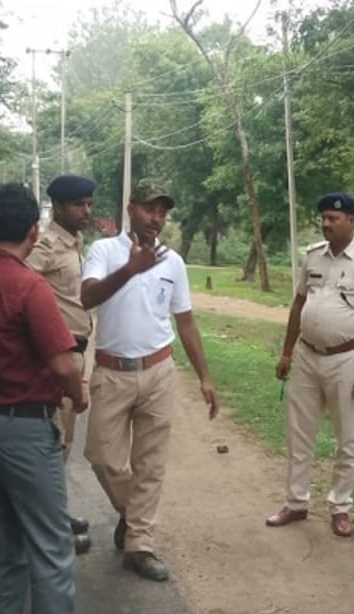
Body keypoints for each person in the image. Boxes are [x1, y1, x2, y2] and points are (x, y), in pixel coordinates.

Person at [0, 183, 85, 614]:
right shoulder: (28, 286)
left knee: (4, 546)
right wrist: (79, 395)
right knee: (52, 550)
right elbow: (63, 364)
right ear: (33, 231)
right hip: (24, 428)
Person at [80, 180, 219, 582]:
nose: (156, 218)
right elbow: (87, 297)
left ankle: (139, 544)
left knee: (150, 463)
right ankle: (132, 512)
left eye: (162, 211)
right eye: (148, 208)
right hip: (112, 372)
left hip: (158, 371)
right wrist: (130, 269)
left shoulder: (173, 263)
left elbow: (185, 321)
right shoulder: (104, 251)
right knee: (102, 457)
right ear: (130, 208)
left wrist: (205, 378)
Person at [267, 192, 354, 537]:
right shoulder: (313, 256)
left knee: (347, 437)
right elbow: (298, 303)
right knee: (299, 433)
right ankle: (296, 502)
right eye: (323, 218)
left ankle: (341, 507)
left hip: (346, 359)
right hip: (307, 356)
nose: (326, 224)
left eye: (333, 218)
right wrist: (287, 353)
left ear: (351, 220)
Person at [28, 174, 98, 553]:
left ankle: (54, 512)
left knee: (64, 439)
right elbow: (21, 284)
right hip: (57, 354)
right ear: (57, 206)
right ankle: (47, 526)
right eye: (78, 205)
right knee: (52, 440)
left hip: (77, 351)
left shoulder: (74, 242)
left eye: (88, 204)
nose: (86, 211)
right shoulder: (47, 245)